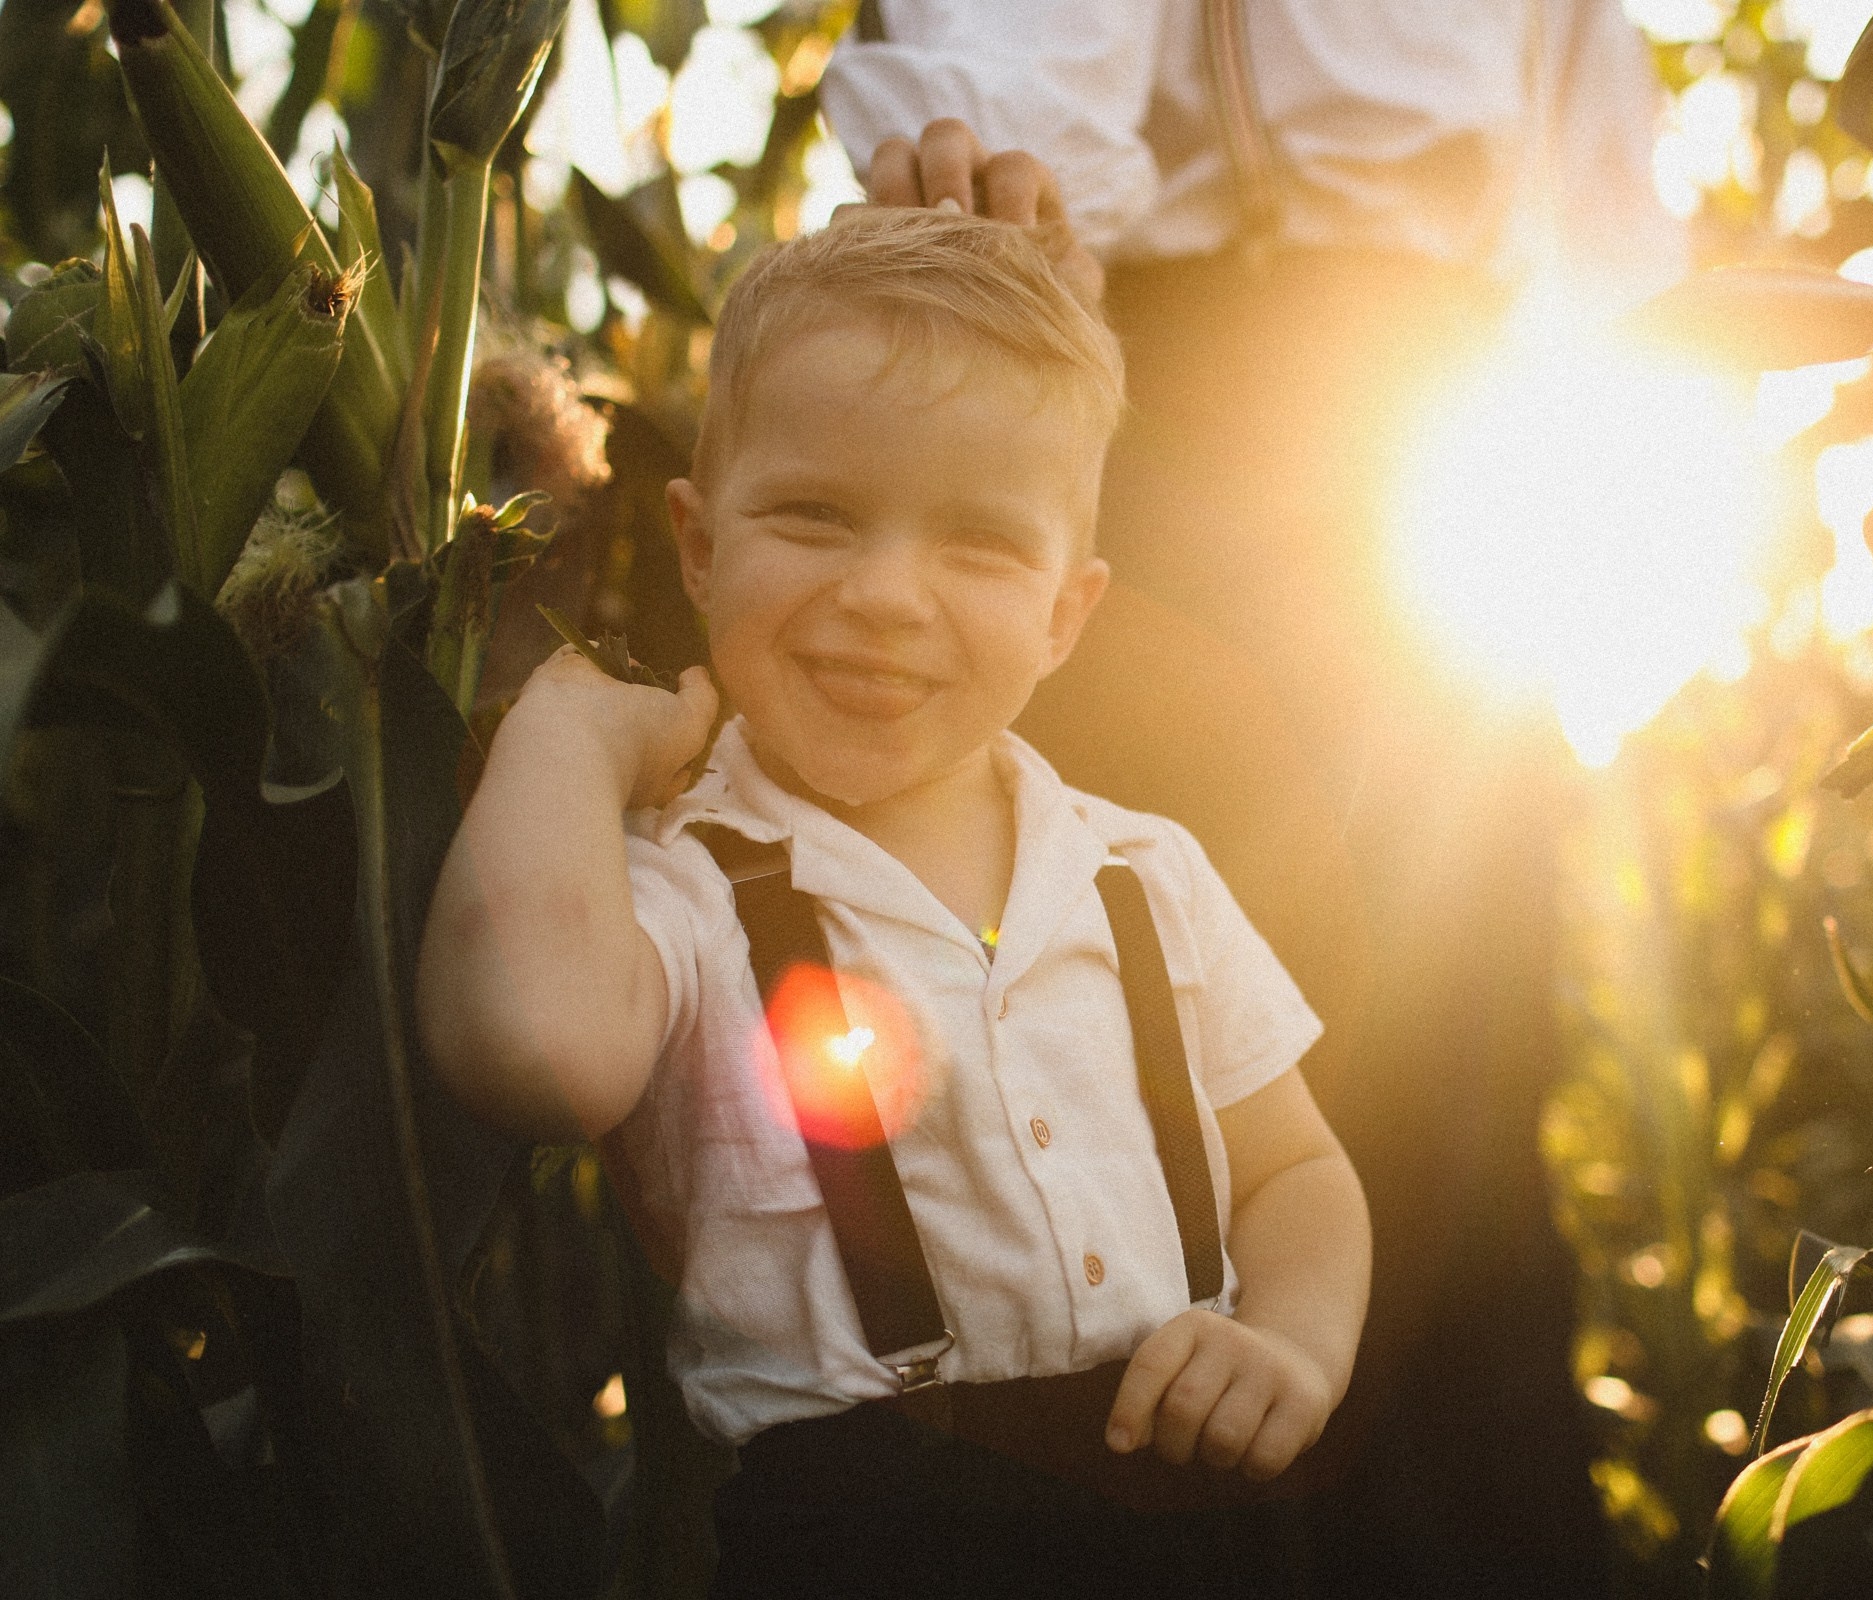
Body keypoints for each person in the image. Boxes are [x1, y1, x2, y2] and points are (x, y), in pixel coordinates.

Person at [818, 7, 1679, 1594]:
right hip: (1168, 417)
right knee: (1182, 1076)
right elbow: (1023, 79)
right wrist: (992, 174)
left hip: (1448, 425)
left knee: (1458, 1087)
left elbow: (1596, 183)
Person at [416, 206, 1372, 1598]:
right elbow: (528, 1051)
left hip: (1195, 1517)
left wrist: (1290, 1341)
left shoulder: (1143, 874)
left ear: (1066, 611)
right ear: (697, 544)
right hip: (853, 1540)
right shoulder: (682, 887)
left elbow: (1296, 1171)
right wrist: (566, 732)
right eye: (813, 516)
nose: (885, 595)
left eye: (981, 545)